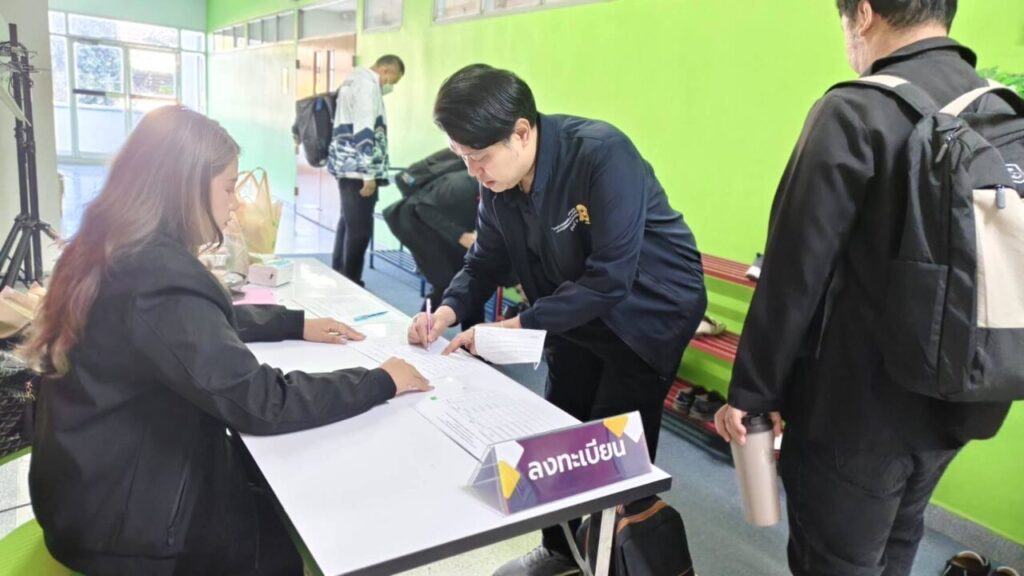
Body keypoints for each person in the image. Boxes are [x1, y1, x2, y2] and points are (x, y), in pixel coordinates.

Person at [21, 106, 431, 576]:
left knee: (268, 488)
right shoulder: (158, 278)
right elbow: (261, 402)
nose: (235, 203)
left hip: (91, 490)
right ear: (183, 187)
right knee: (290, 540)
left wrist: (291, 323)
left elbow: (179, 329)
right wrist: (380, 380)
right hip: (127, 531)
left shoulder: (113, 248)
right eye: (228, 187)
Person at [715, 2, 1013, 575]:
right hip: (965, 397)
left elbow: (793, 272)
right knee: (901, 537)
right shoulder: (998, 108)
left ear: (864, 13)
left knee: (835, 559)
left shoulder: (855, 111)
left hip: (856, 412)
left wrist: (752, 394)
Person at [408, 64, 707, 576]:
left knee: (609, 446)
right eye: (463, 158)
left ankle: (612, 559)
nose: (473, 172)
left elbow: (610, 279)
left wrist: (518, 326)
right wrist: (447, 311)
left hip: (647, 312)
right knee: (557, 429)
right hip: (570, 308)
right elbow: (484, 261)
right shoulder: (498, 181)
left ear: (522, 132)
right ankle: (562, 552)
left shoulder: (602, 154)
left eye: (479, 157)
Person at [384, 149, 485, 329]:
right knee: (445, 282)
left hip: (442, 225)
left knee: (471, 282)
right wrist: (460, 235)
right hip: (415, 224)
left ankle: (472, 338)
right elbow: (423, 207)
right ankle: (420, 331)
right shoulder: (463, 183)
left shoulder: (489, 186)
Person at [327, 54, 405, 285]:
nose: (390, 86)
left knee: (348, 223)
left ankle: (340, 274)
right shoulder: (367, 85)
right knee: (360, 230)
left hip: (348, 166)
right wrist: (368, 175)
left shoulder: (353, 80)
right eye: (392, 80)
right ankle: (351, 281)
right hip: (358, 171)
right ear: (386, 71)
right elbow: (364, 129)